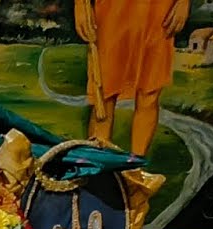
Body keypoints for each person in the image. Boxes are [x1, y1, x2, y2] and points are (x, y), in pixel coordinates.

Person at [75, 0, 190, 156]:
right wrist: (81, 5)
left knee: (149, 92)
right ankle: (98, 167)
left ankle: (136, 167)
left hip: (160, 11)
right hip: (112, 9)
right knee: (104, 94)